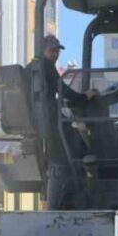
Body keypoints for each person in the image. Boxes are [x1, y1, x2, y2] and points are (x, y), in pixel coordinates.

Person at [36, 34, 98, 207]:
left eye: (57, 51)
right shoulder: (46, 67)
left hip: (44, 118)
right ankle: (85, 179)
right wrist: (84, 97)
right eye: (52, 50)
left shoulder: (33, 69)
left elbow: (52, 92)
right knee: (78, 145)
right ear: (42, 50)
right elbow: (63, 89)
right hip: (50, 120)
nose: (55, 54)